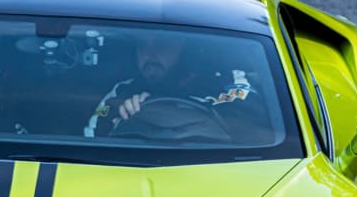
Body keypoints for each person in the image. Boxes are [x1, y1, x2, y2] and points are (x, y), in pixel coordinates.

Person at [83, 32, 265, 139]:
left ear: (185, 50)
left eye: (160, 45)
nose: (150, 54)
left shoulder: (230, 81)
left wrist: (156, 108)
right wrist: (121, 113)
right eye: (142, 46)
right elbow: (93, 138)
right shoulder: (123, 90)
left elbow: (258, 127)